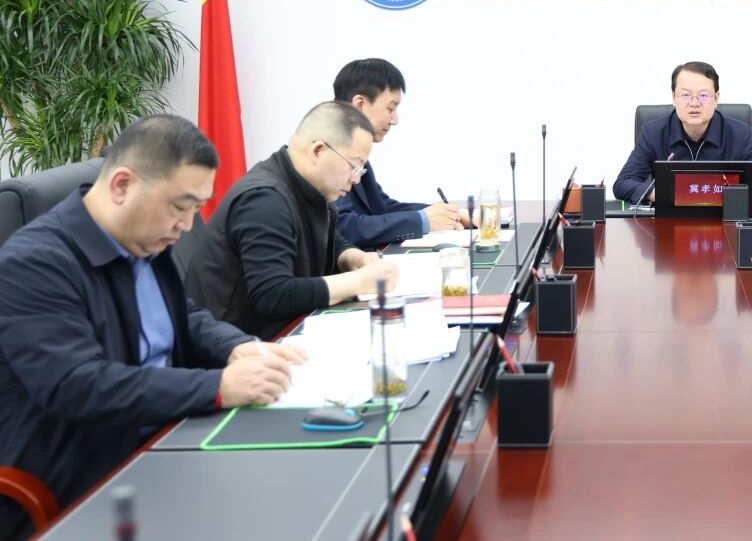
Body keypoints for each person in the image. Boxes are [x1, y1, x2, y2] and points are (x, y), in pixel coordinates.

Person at [0, 115, 304, 538]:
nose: (187, 225)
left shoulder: (143, 239)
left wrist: (239, 347)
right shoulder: (34, 264)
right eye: (180, 207)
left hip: (170, 432)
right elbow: (79, 385)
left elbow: (183, 317)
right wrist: (217, 387)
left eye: (196, 209)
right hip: (90, 476)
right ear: (122, 185)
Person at [182, 102, 399, 338]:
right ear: (318, 151)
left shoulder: (307, 186)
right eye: (354, 167)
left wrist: (352, 257)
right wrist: (358, 282)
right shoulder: (265, 200)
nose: (356, 180)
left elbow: (328, 237)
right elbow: (272, 295)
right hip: (235, 345)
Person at [332, 58, 468, 248]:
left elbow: (381, 207)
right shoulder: (330, 152)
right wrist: (422, 220)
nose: (395, 120)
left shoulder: (354, 149)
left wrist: (448, 215)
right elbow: (344, 227)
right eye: (390, 108)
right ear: (360, 105)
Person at [612, 61, 752, 205]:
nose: (694, 103)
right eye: (686, 95)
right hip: (669, 223)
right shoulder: (653, 133)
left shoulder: (739, 134)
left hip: (723, 223)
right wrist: (657, 194)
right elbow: (622, 184)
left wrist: (725, 196)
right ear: (674, 97)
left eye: (703, 95)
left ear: (716, 98)